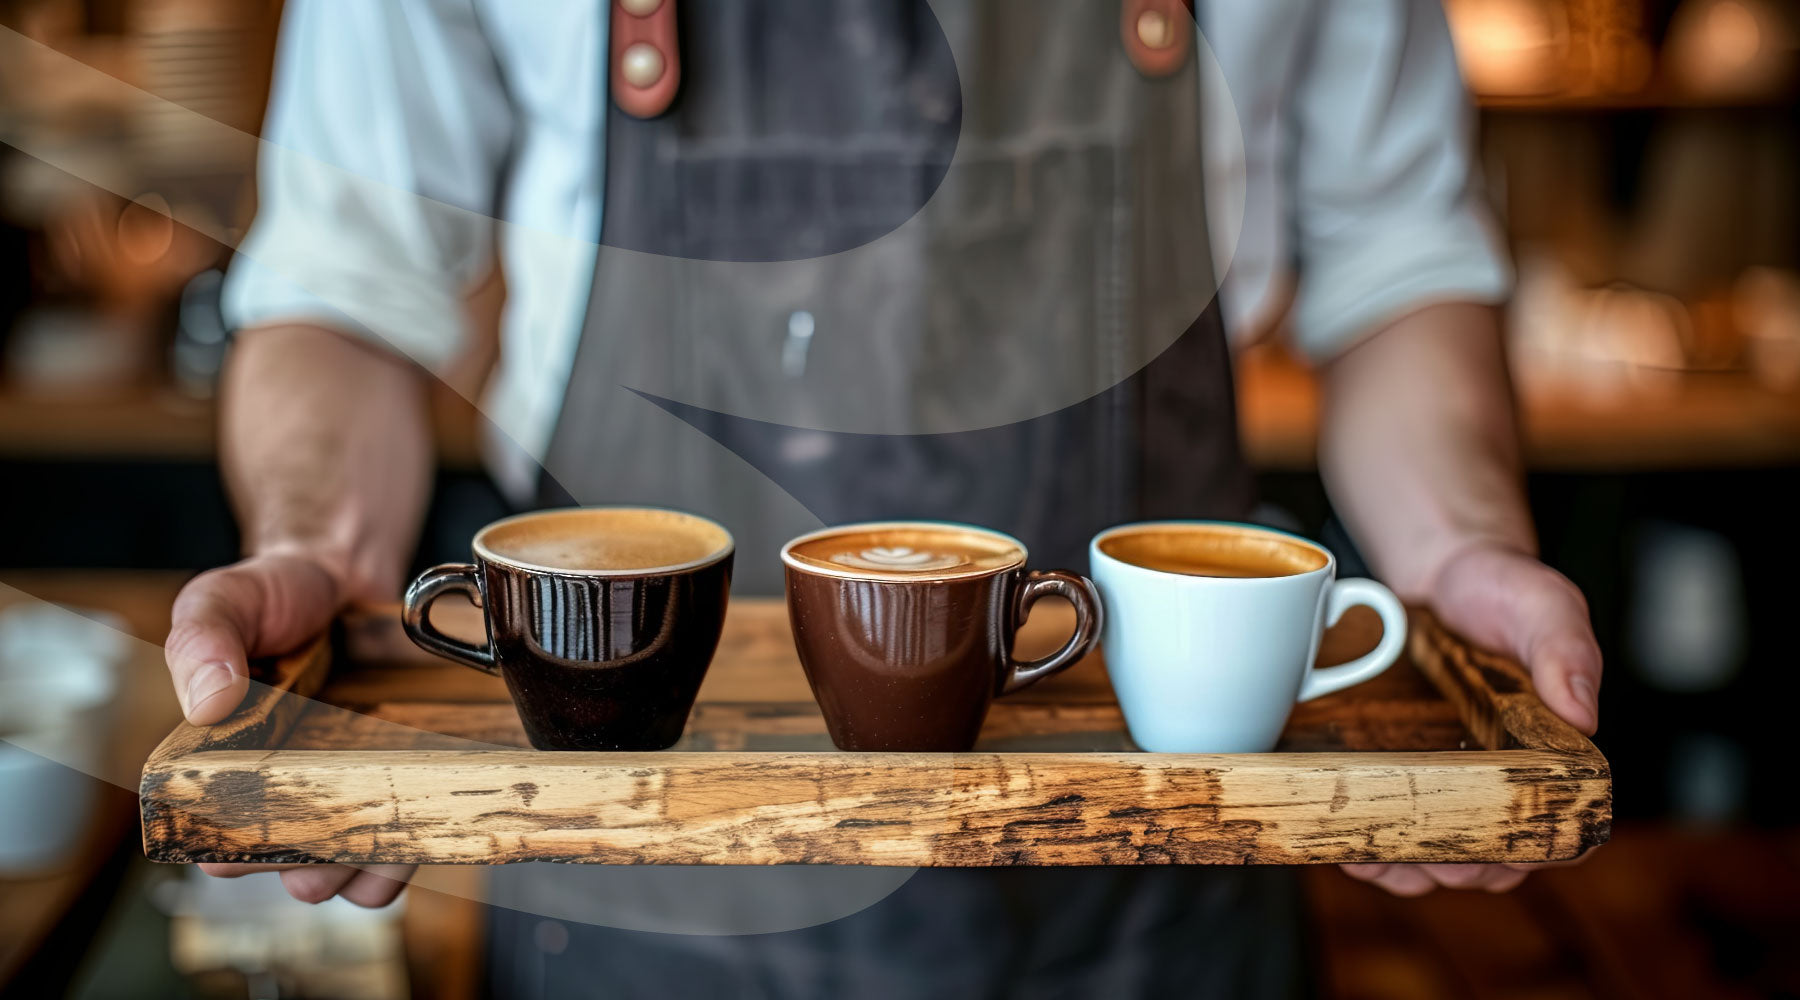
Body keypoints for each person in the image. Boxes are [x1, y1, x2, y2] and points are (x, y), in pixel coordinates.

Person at [164, 1, 1604, 996]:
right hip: (640, 912)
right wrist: (316, 553)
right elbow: (348, 290)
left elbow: (1399, 262)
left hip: (1153, 913)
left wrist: (1460, 550)